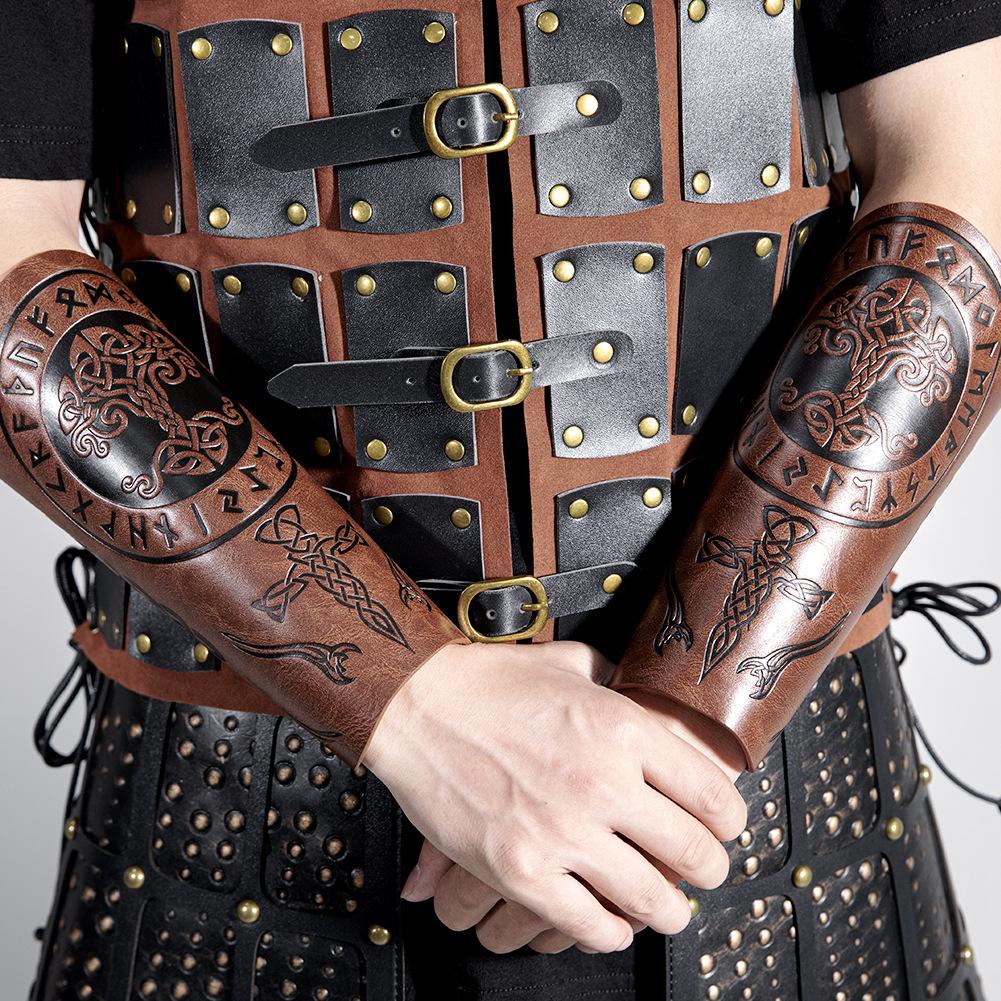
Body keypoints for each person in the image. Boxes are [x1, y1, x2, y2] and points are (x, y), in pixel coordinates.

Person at [1, 1, 998, 998]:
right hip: (244, 807)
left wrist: (687, 723)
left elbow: (967, 164)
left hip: (757, 792)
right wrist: (411, 700)